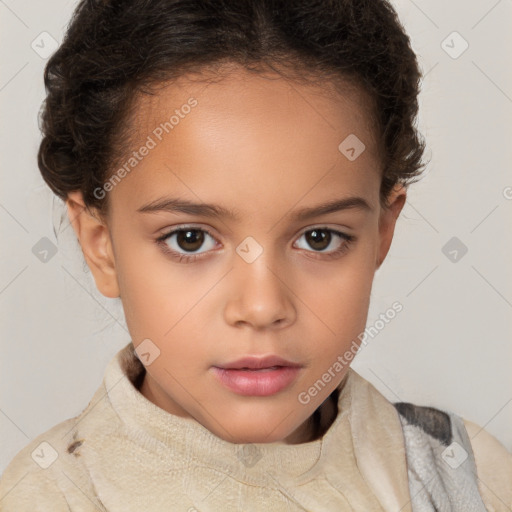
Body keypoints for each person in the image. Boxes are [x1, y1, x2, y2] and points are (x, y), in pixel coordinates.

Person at [1, 0, 511, 510]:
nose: (262, 306)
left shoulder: (467, 479)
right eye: (190, 239)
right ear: (101, 245)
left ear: (382, 230)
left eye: (319, 238)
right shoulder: (45, 497)